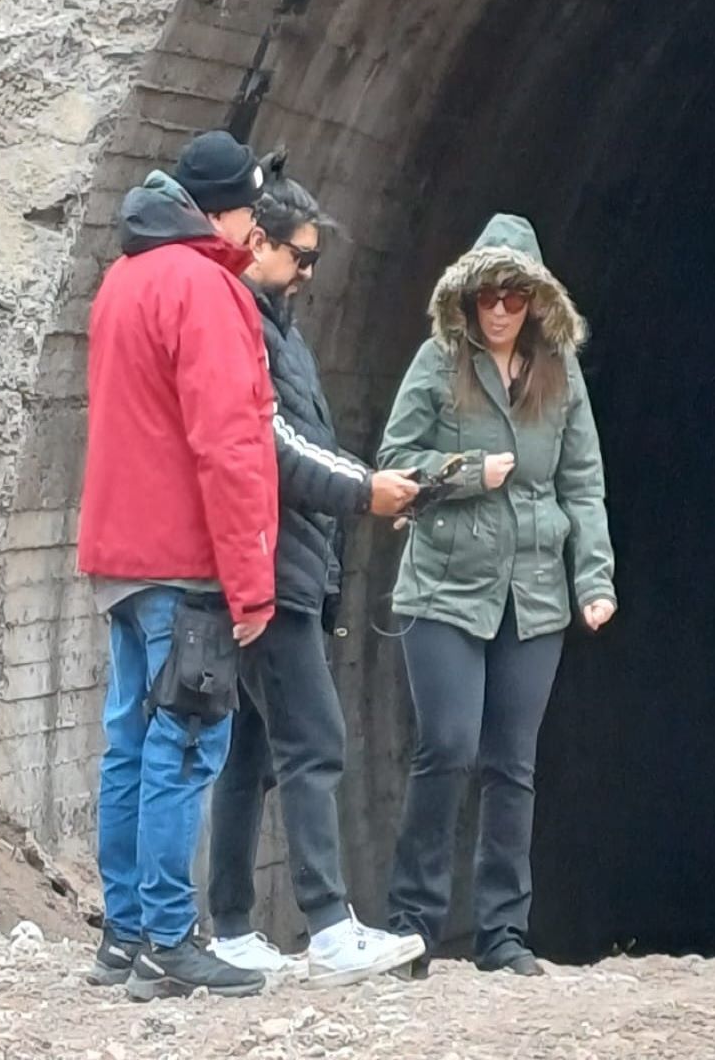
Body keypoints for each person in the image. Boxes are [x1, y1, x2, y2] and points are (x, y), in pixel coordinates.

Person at [378, 213, 617, 978]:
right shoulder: (437, 362)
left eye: (515, 294)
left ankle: (503, 933)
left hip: (535, 591)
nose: (502, 308)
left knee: (512, 763)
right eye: (489, 294)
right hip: (443, 586)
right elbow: (392, 465)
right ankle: (413, 923)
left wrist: (595, 578)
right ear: (469, 297)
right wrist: (463, 472)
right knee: (447, 746)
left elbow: (583, 481)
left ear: (538, 300)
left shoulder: (562, 374)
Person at [207, 156, 426, 986]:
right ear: (257, 240)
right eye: (300, 257)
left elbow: (305, 437)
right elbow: (273, 448)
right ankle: (330, 926)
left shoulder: (277, 326)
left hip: (284, 558)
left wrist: (370, 489)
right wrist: (362, 491)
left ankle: (230, 924)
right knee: (314, 741)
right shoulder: (248, 326)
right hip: (269, 566)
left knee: (250, 748)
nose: (307, 275)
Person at [78, 130, 279, 1000]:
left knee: (129, 742)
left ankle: (122, 934)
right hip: (184, 561)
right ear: (223, 208)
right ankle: (169, 936)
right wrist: (251, 579)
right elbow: (230, 445)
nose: (254, 225)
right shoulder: (206, 289)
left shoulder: (123, 280)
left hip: (121, 557)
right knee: (188, 743)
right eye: (251, 208)